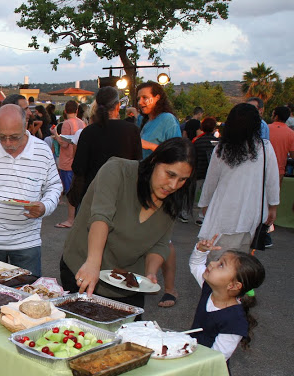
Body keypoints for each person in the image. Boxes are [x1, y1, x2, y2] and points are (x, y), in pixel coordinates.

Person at [61, 138, 195, 308]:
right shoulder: (117, 171)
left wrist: (151, 273)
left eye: (182, 180)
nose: (174, 185)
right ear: (154, 160)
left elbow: (160, 244)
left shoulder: (173, 200)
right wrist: (93, 263)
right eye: (170, 174)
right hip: (83, 268)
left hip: (128, 284)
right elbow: (101, 217)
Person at [0, 104, 62, 277]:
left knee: (26, 298)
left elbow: (54, 186)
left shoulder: (42, 151)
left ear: (25, 127)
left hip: (27, 243)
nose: (7, 143)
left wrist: (45, 207)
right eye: (1, 137)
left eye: (14, 137)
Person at [197, 103, 280, 258]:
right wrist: (273, 207)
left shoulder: (222, 148)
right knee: (240, 264)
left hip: (224, 213)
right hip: (252, 215)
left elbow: (211, 181)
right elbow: (272, 181)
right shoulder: (265, 147)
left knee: (219, 262)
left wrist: (205, 204)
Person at [136, 80, 182, 308]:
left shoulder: (168, 120)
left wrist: (148, 145)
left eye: (145, 97)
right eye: (139, 98)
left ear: (158, 97)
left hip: (164, 187)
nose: (141, 102)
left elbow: (177, 151)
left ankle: (171, 289)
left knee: (165, 239)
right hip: (144, 183)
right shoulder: (145, 120)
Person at [188, 235, 265, 361]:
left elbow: (218, 357)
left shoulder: (234, 320)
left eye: (221, 265)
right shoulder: (209, 288)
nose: (212, 263)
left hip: (206, 370)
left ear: (233, 285)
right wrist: (201, 250)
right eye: (218, 260)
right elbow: (196, 265)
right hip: (189, 357)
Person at [71, 87, 142, 206]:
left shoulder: (88, 132)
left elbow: (78, 168)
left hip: (92, 195)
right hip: (122, 196)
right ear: (118, 106)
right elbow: (137, 164)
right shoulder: (131, 130)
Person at [53, 100, 86, 228]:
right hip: (79, 160)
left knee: (71, 192)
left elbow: (64, 143)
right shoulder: (81, 123)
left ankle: (71, 219)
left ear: (65, 111)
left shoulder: (66, 123)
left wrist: (55, 135)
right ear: (77, 111)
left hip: (67, 161)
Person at [191, 117, 218, 225]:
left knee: (192, 194)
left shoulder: (197, 141)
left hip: (198, 172)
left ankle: (184, 213)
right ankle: (202, 217)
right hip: (212, 174)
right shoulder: (218, 143)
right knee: (208, 196)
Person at [268, 106, 294, 182]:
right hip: (279, 170)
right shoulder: (291, 133)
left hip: (262, 168)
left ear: (276, 116)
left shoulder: (265, 128)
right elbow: (293, 155)